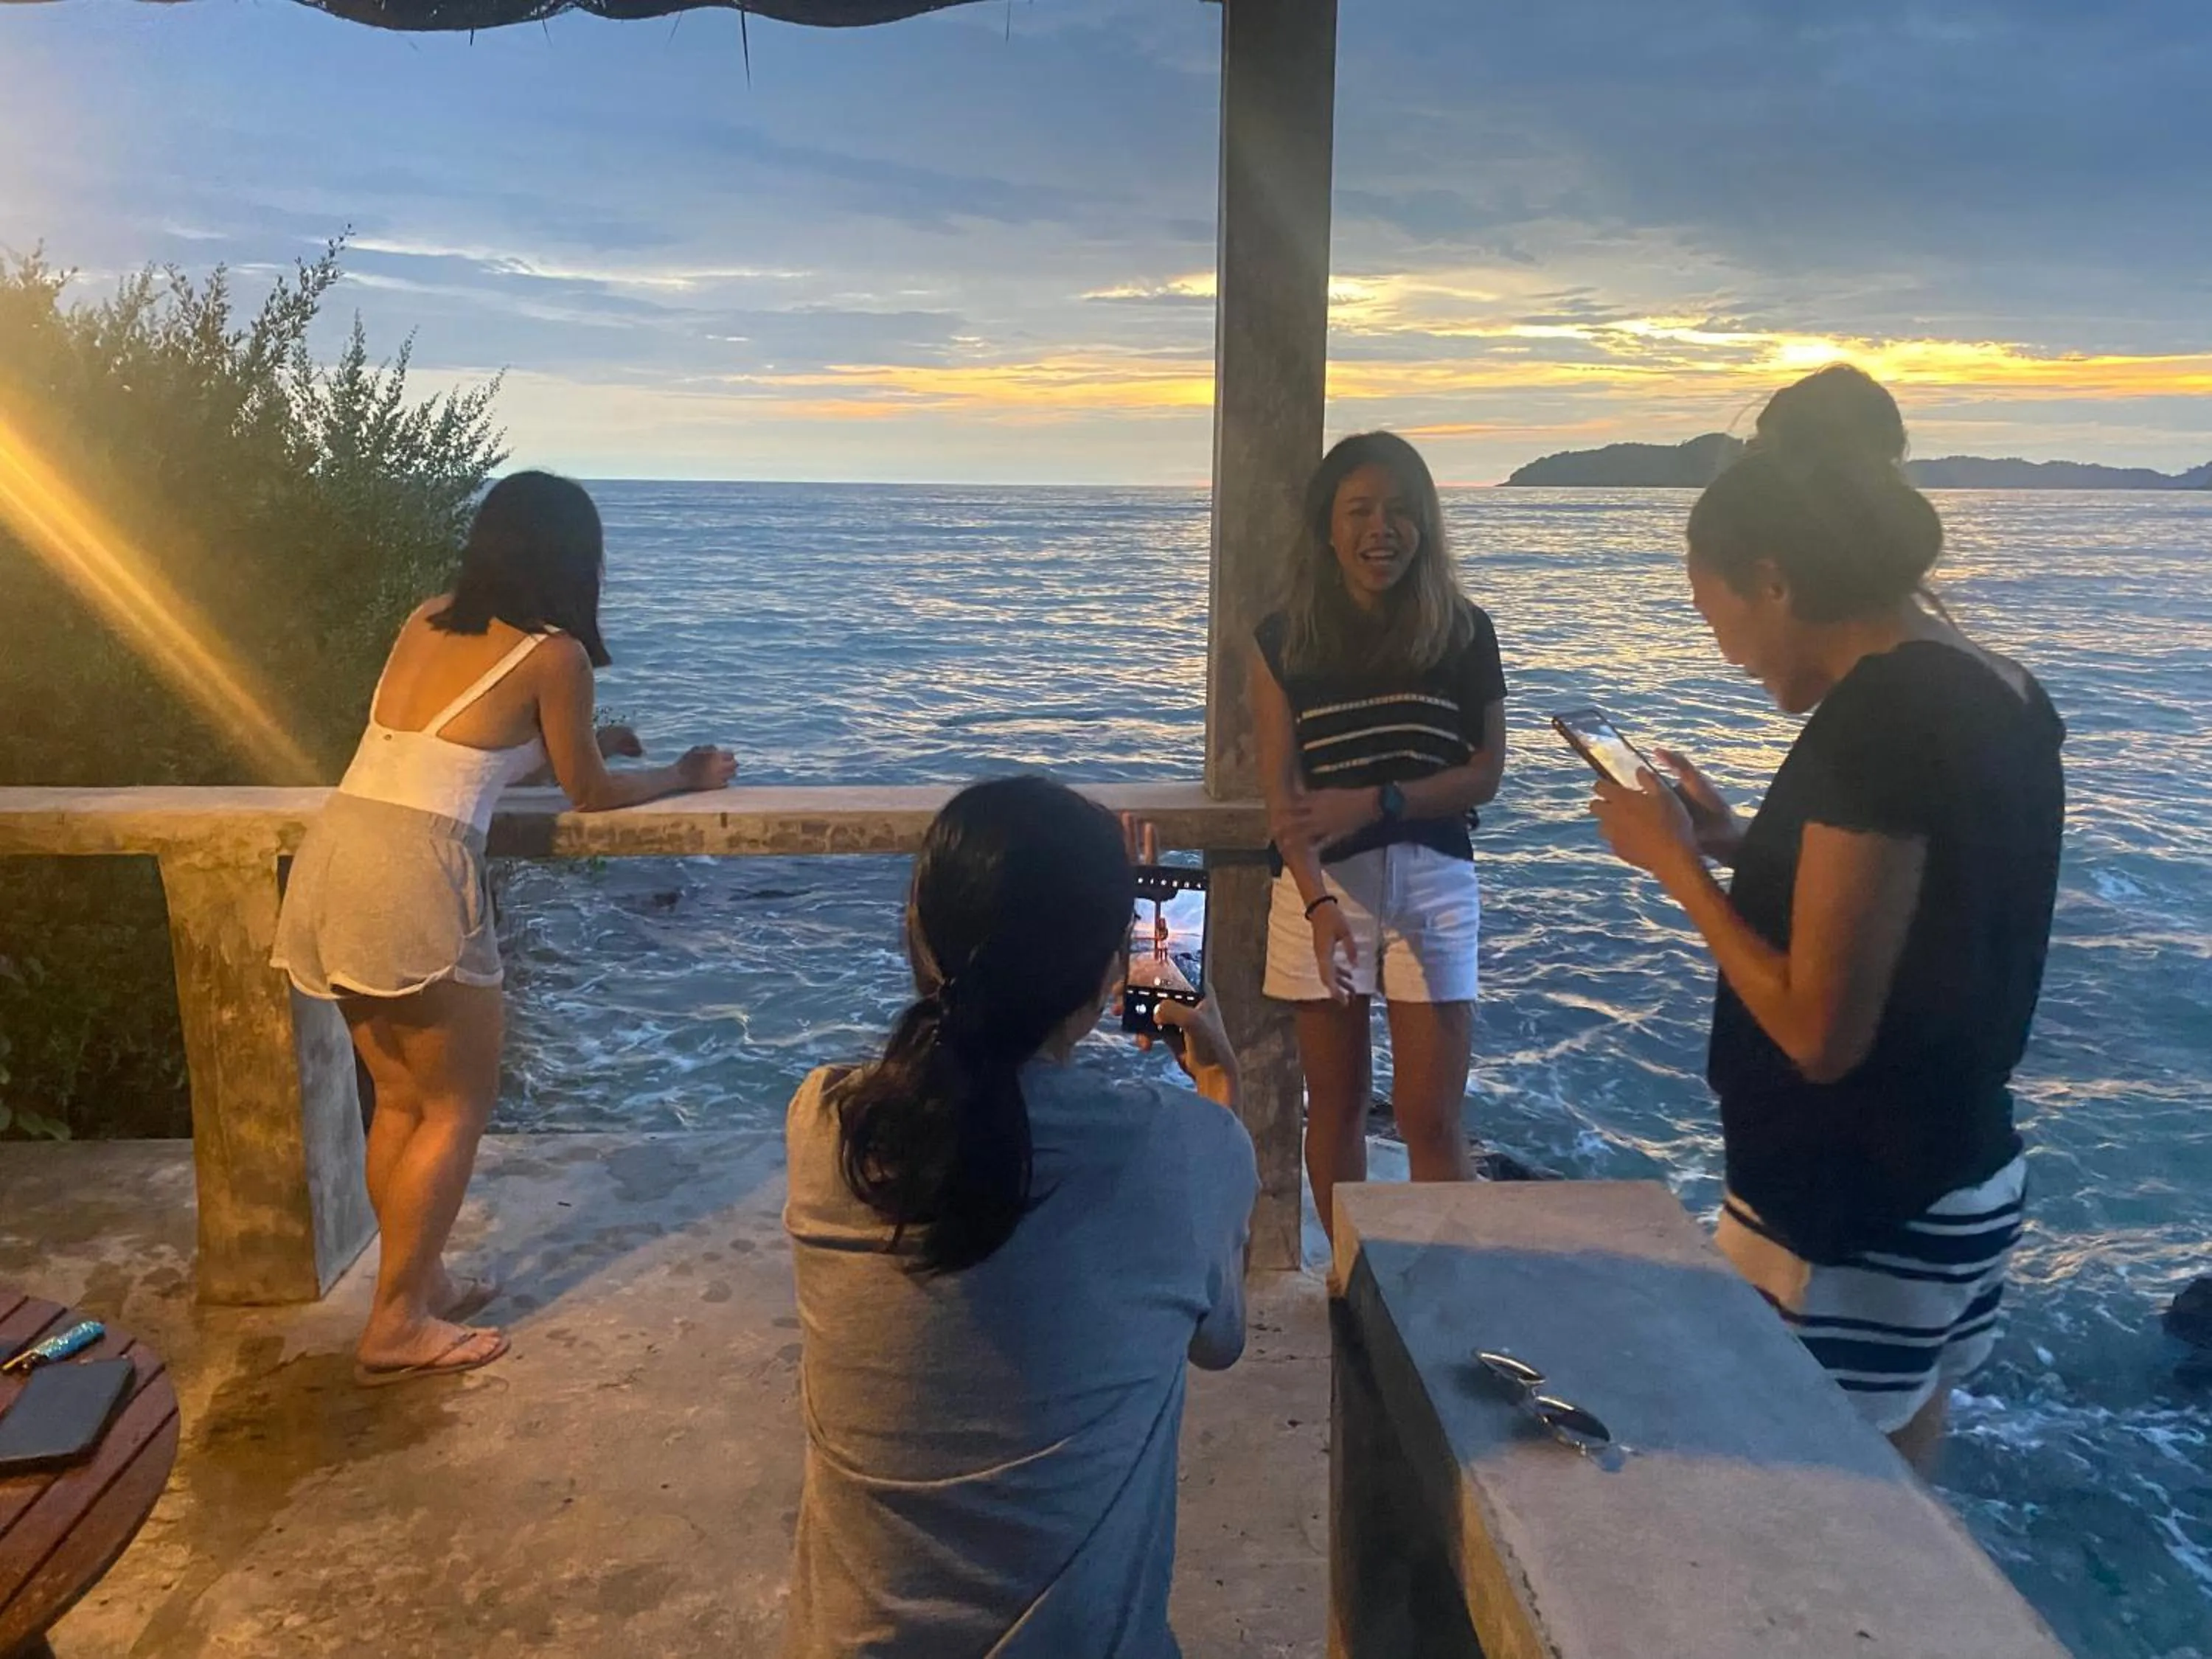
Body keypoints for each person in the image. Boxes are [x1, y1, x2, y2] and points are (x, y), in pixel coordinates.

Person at [1588, 365, 2065, 1472]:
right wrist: (1748, 848)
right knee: (1903, 1507)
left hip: (1851, 1210)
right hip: (1963, 1173)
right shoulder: (1994, 685)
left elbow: (1819, 1031)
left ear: (1774, 578)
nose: (1727, 652)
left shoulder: (1878, 720)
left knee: (1794, 1518)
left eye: (1720, 617)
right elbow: (1946, 900)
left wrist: (1677, 870)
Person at [271, 471, 737, 1385]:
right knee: (456, 1105)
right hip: (413, 873)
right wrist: (685, 772)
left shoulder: (427, 616)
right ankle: (397, 1322)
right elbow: (589, 794)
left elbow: (454, 758)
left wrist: (605, 746)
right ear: (575, 559)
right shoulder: (555, 656)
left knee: (401, 1101)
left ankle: (422, 1281)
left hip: (337, 855)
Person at [782, 780, 1255, 1657]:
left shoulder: (827, 1129)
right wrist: (1219, 1084)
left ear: (918, 931)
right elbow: (1219, 1341)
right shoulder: (1184, 1151)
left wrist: (1103, 939)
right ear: (1109, 973)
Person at [1248, 431, 1508, 1240]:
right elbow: (1285, 799)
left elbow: (1485, 773)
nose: (1381, 529)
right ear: (1327, 528)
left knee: (1432, 1117)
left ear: (1425, 525)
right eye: (1359, 510)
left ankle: (1446, 1300)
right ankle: (1351, 1283)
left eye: (1400, 511)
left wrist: (1376, 801)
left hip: (1434, 882)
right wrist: (1320, 904)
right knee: (1337, 1105)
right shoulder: (1282, 641)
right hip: (1320, 891)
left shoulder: (1464, 633)